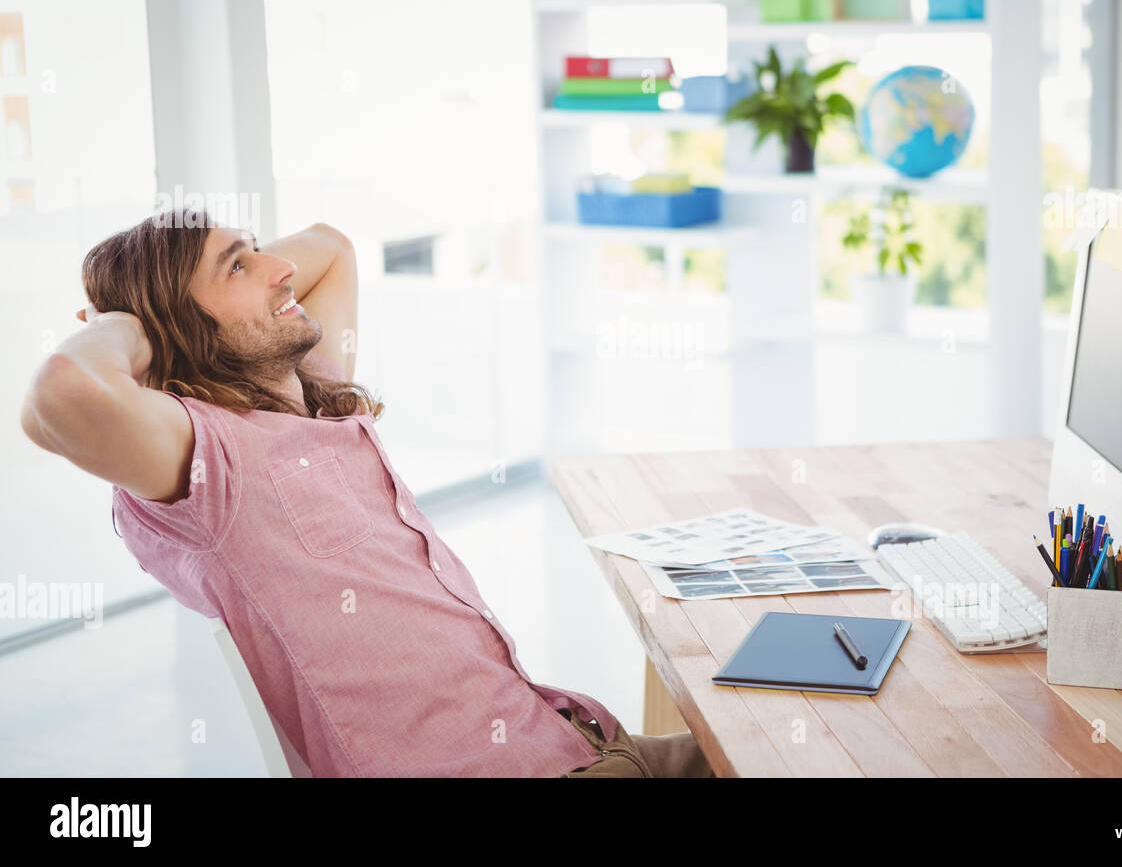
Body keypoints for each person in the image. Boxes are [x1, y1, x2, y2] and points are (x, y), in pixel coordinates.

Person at [19, 208, 713, 778]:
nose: (281, 268)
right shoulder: (208, 463)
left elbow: (332, 247)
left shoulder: (306, 399)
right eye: (239, 264)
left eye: (257, 249)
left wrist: (218, 283)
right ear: (173, 327)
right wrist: (127, 319)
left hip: (575, 746)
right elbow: (61, 394)